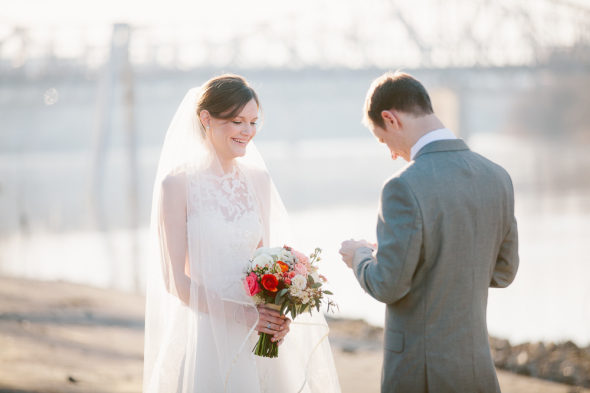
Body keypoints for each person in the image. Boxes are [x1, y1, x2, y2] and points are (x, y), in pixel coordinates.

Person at [143, 75, 340, 393]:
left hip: (257, 330)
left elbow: (265, 265)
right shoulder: (177, 186)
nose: (248, 131)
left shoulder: (258, 180)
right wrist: (239, 314)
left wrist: (276, 311)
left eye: (253, 121)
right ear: (206, 119)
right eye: (237, 121)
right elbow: (175, 281)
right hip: (207, 329)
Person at [339, 71, 519, 393]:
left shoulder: (402, 186)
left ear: (390, 119)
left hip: (418, 373)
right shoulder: (498, 177)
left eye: (383, 141)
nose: (392, 153)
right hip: (476, 367)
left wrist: (360, 256)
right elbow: (504, 272)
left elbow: (387, 285)